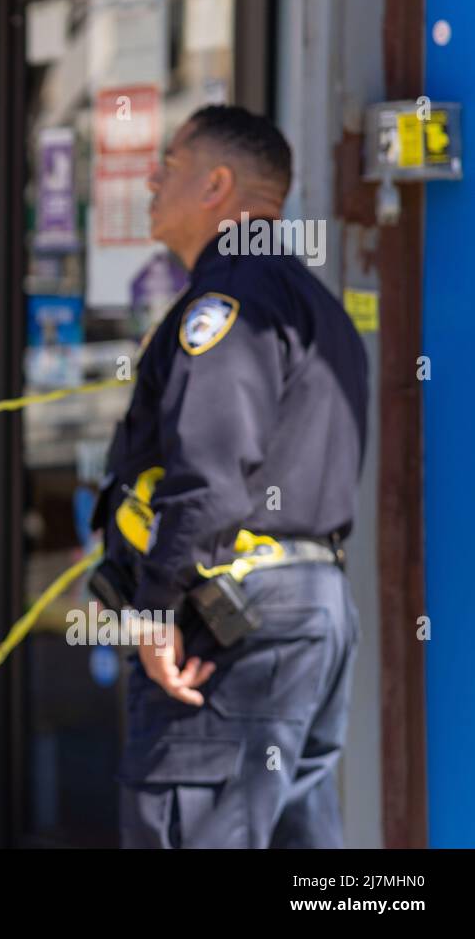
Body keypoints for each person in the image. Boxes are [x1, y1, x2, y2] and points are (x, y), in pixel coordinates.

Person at [94, 105, 369, 848]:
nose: (151, 176)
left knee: (188, 823)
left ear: (218, 184)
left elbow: (210, 477)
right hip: (313, 607)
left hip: (233, 616)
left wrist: (153, 605)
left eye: (171, 163)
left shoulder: (228, 306)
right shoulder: (316, 305)